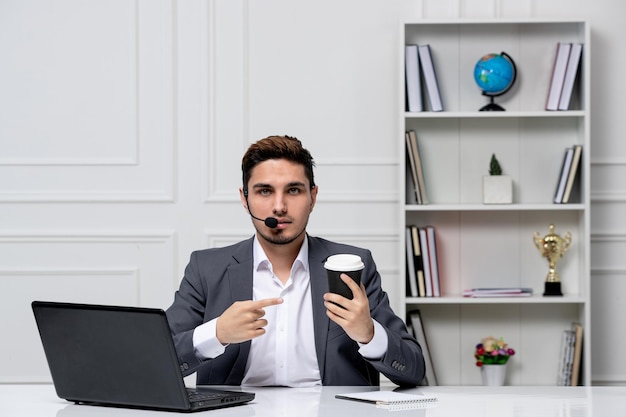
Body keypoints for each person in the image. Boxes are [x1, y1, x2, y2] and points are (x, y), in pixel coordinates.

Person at [166, 135, 425, 387]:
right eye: (265, 191)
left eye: (293, 190)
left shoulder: (356, 266)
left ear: (312, 197)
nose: (279, 206)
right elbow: (159, 362)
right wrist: (217, 333)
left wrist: (369, 334)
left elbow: (413, 370)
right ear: (245, 199)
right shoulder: (206, 269)